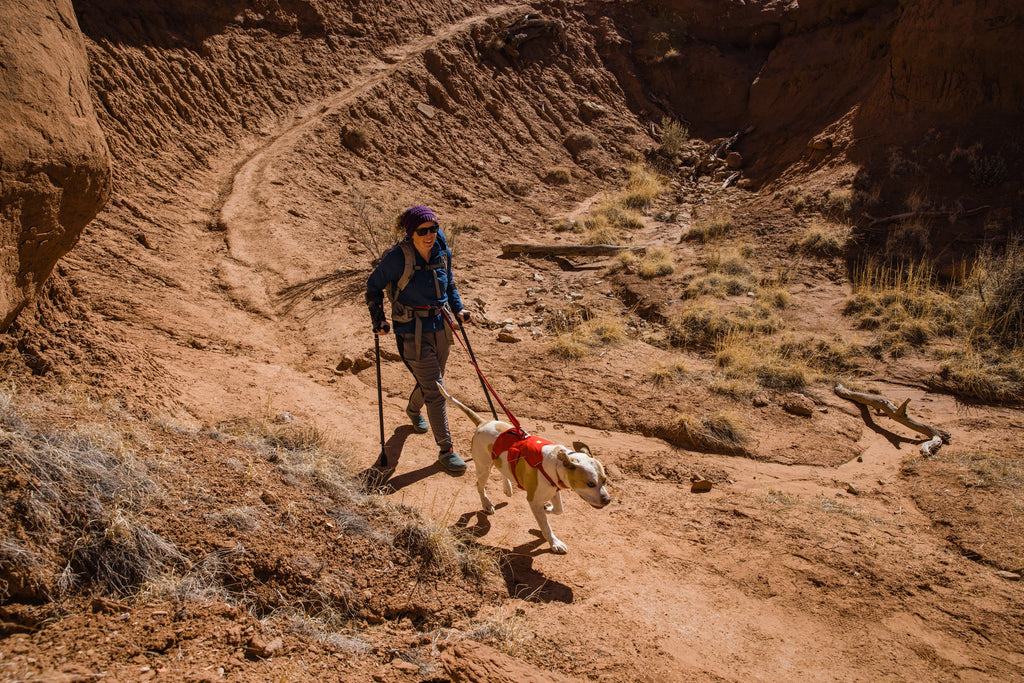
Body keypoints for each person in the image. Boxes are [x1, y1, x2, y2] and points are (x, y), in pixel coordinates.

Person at [365, 205, 471, 473]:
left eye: (433, 229)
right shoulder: (397, 258)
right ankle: (446, 450)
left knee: (432, 382)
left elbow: (449, 285)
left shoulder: (441, 249)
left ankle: (413, 411)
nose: (429, 235)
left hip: (441, 326)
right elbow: (373, 287)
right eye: (422, 231)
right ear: (410, 233)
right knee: (436, 391)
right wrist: (378, 319)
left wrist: (458, 308)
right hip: (410, 331)